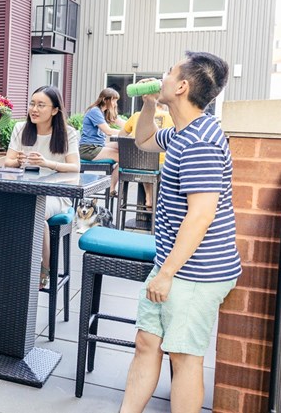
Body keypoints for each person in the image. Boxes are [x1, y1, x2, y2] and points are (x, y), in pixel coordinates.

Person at [120, 51, 240, 413]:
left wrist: (167, 274)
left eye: (170, 71)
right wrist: (147, 105)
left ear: (183, 85)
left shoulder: (200, 142)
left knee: (184, 357)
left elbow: (201, 216)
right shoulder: (182, 132)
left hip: (196, 271)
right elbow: (143, 141)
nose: (164, 75)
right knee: (146, 342)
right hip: (173, 264)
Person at [3, 86, 80, 289]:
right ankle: (12, 266)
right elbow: (7, 161)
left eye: (40, 105)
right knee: (5, 208)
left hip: (56, 194)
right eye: (32, 104)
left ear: (55, 110)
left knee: (33, 212)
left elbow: (75, 167)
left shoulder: (67, 133)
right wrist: (17, 161)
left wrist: (48, 163)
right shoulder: (21, 128)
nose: (34, 109)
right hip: (26, 190)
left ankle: (42, 268)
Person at [119, 98, 174, 209]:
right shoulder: (169, 116)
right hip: (158, 164)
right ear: (162, 105)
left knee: (145, 162)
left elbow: (121, 136)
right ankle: (155, 200)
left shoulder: (137, 115)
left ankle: (149, 197)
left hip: (134, 163)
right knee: (154, 164)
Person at [80, 87, 122, 193]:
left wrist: (133, 128)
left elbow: (120, 122)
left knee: (121, 147)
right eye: (114, 100)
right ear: (105, 100)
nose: (115, 103)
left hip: (97, 146)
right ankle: (112, 188)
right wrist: (125, 133)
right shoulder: (95, 111)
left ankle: (112, 186)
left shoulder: (103, 112)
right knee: (124, 158)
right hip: (88, 149)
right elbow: (108, 131)